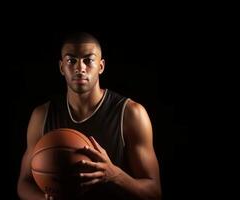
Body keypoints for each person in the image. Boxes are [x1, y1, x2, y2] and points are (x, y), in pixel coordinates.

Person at [17, 32, 161, 200]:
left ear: (101, 66)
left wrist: (115, 175)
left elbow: (154, 192)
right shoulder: (42, 115)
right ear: (62, 67)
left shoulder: (131, 113)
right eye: (71, 60)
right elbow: (24, 184)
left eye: (88, 60)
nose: (80, 68)